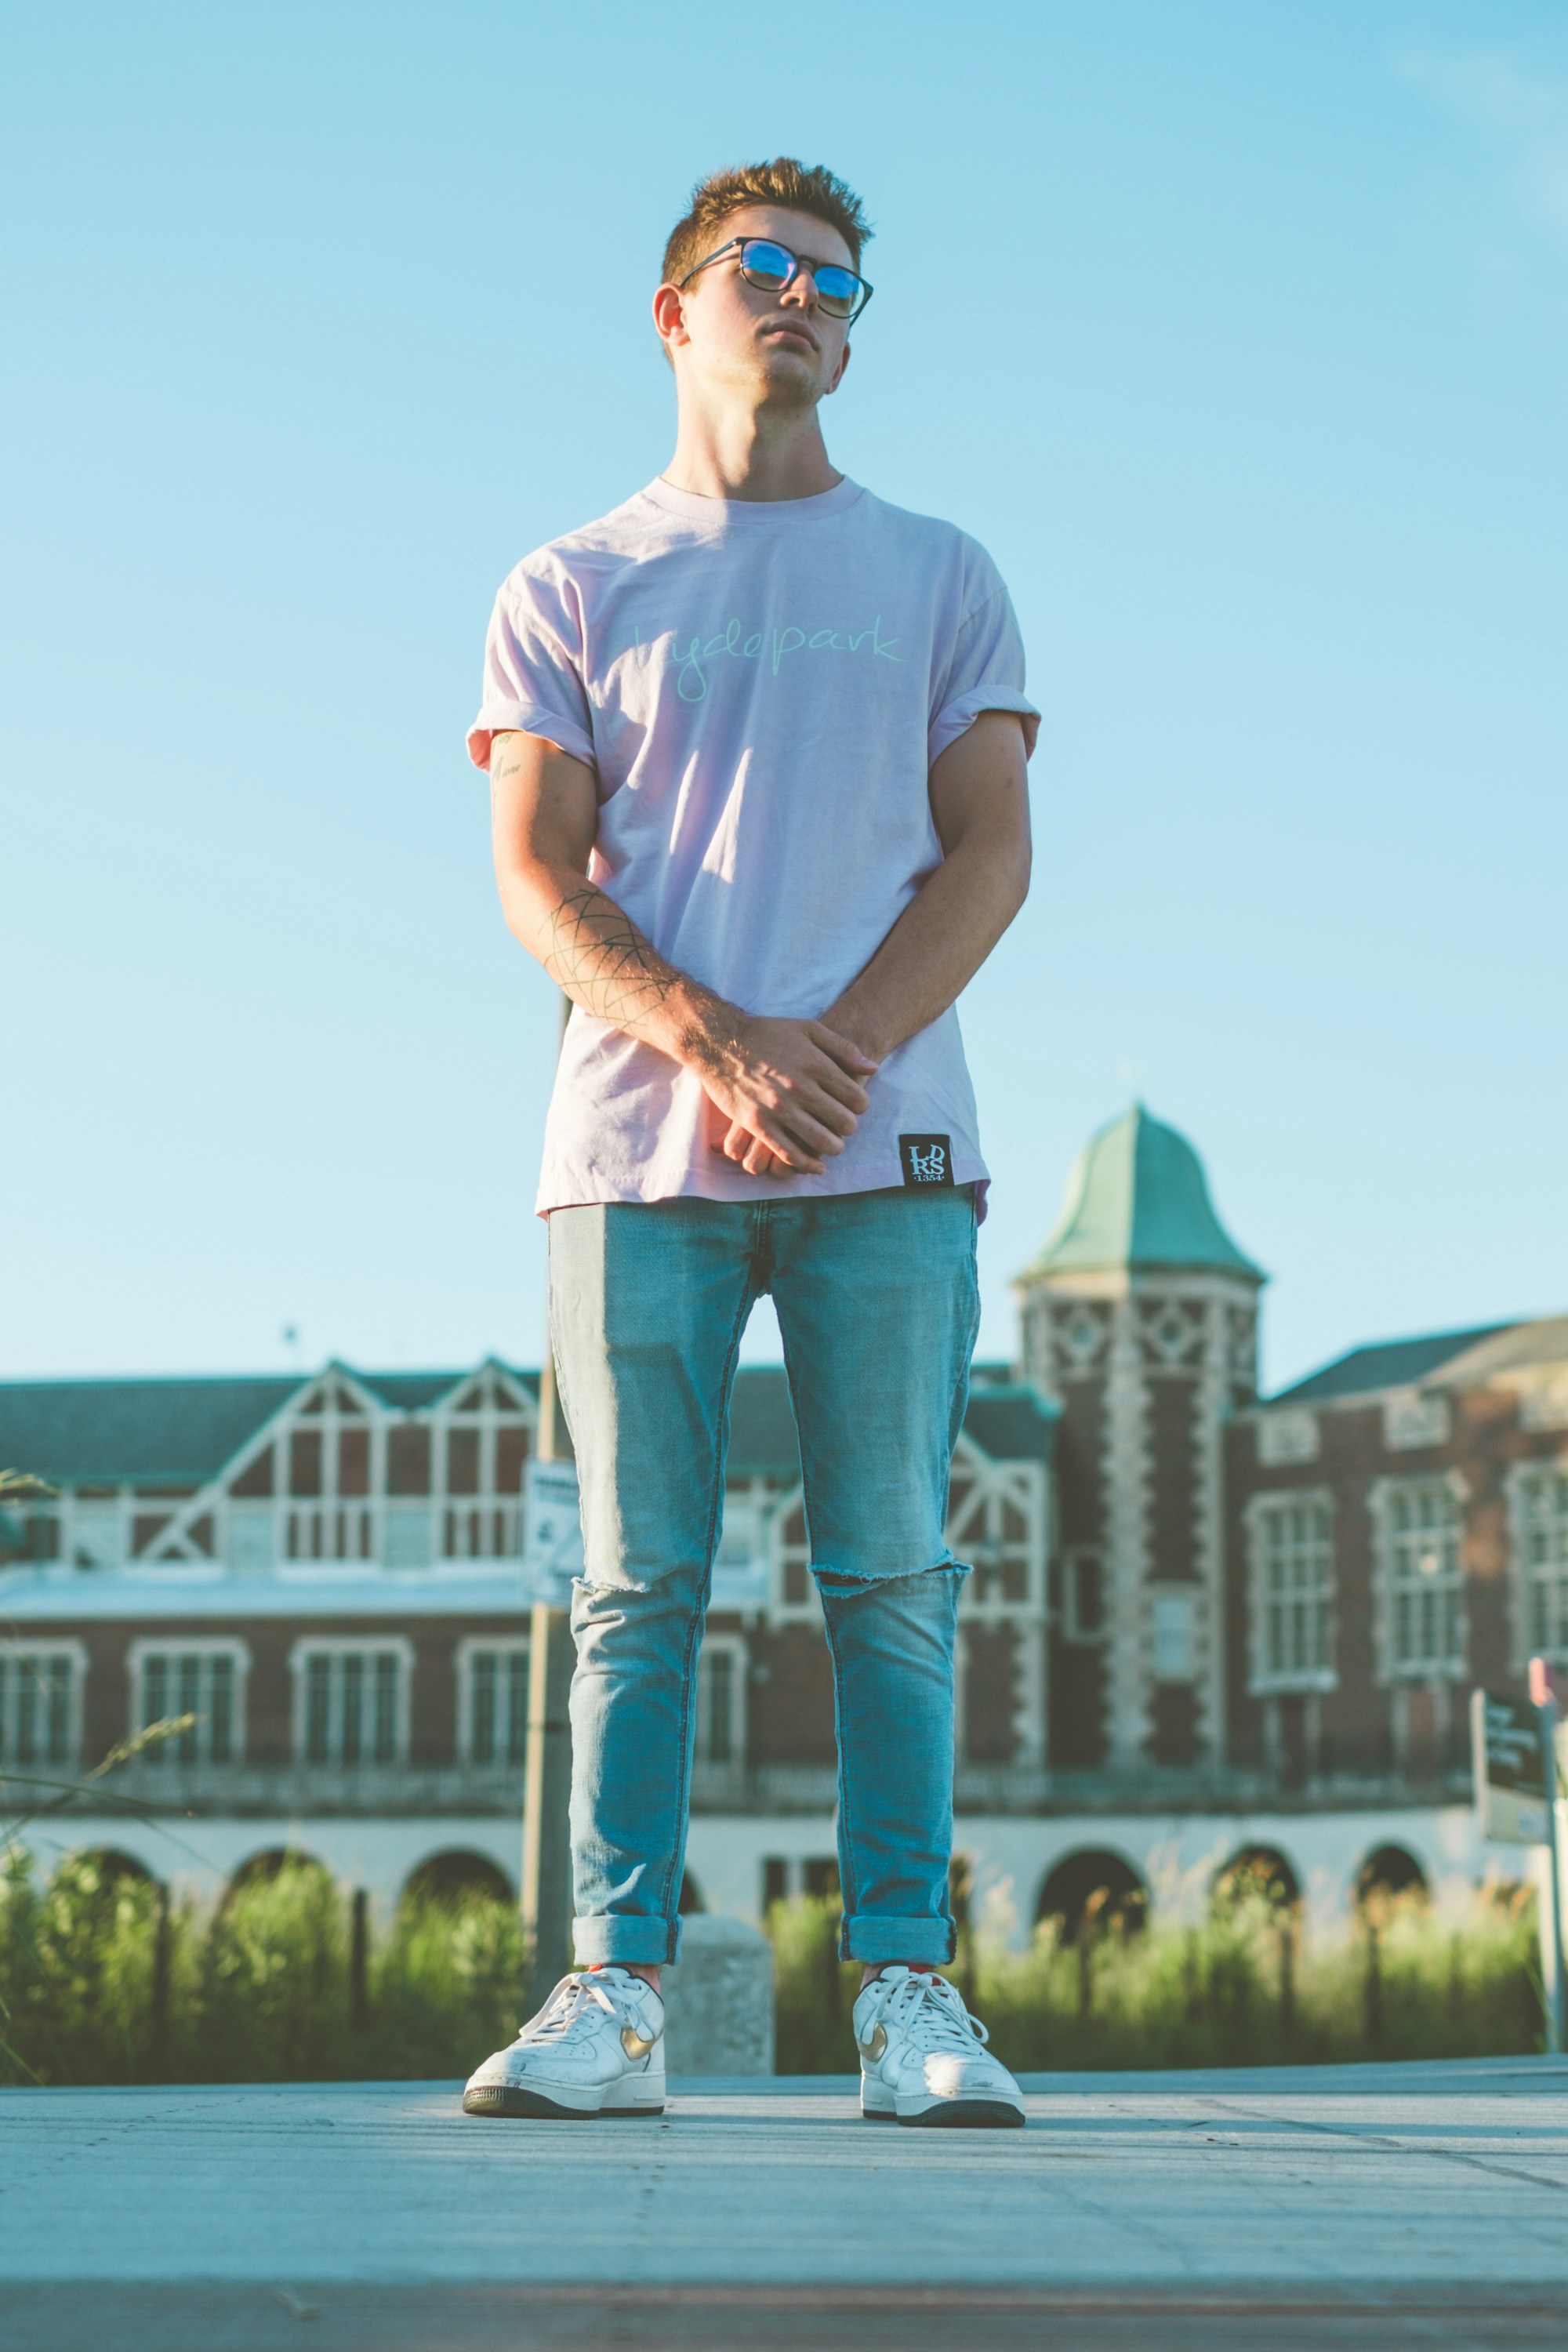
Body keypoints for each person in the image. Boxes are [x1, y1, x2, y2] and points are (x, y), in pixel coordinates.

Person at [461, 158, 1036, 2128]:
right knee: (638, 1582)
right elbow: (534, 879)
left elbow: (994, 853)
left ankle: (910, 1999)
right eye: (765, 268)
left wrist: (839, 1053)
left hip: (890, 1165)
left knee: (889, 1574)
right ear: (675, 308)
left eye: (841, 284)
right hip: (635, 1161)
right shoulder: (570, 581)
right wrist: (711, 1033)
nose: (805, 299)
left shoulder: (941, 571)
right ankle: (611, 1996)